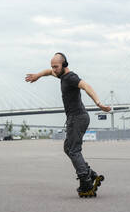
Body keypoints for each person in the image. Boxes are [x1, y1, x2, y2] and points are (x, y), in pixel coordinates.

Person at [25, 52, 111, 194]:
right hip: (75, 118)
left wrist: (98, 102)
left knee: (73, 149)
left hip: (77, 118)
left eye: (56, 67)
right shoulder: (61, 74)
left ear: (64, 65)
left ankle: (86, 183)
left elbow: (86, 86)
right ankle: (90, 173)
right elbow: (48, 72)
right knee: (68, 148)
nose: (53, 69)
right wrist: (37, 76)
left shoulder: (70, 77)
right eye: (52, 66)